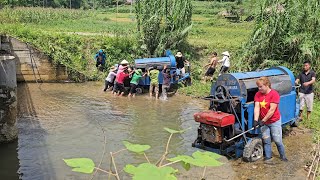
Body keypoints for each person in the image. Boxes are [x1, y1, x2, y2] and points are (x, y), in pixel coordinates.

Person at [253, 77, 288, 164]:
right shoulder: (258, 94)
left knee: (277, 140)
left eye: (261, 87)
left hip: (274, 121)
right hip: (264, 122)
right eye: (258, 87)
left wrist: (263, 120)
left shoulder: (274, 94)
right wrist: (255, 120)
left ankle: (283, 157)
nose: (259, 88)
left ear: (267, 85)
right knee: (266, 140)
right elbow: (257, 107)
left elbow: (272, 110)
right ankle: (268, 158)